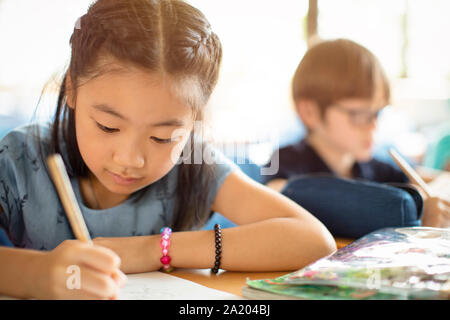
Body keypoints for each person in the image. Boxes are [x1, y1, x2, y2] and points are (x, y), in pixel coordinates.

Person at [0, 0, 336, 300]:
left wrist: (154, 250)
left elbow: (313, 240)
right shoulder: (19, 159)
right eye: (108, 126)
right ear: (71, 89)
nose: (130, 159)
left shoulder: (195, 165)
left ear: (193, 123)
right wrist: (37, 274)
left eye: (163, 137)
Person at [265, 38, 450, 228]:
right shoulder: (286, 163)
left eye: (377, 113)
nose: (373, 126)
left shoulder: (371, 166)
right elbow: (278, 192)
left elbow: (418, 177)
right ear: (309, 112)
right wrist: (417, 213)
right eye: (360, 115)